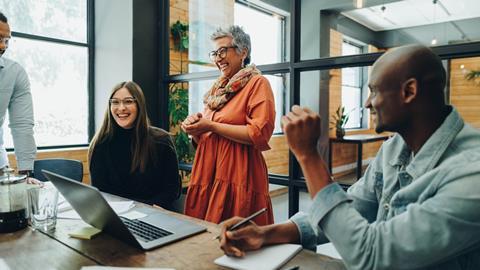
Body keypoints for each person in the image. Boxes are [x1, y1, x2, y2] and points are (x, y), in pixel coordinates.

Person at [219, 45, 480, 270]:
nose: (367, 103)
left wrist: (308, 156)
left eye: (374, 91)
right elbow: (351, 208)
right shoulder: (394, 148)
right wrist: (266, 234)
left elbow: (373, 256)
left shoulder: (471, 174)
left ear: (409, 91)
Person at [182, 26, 275, 225]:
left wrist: (211, 126)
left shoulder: (258, 84)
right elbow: (206, 137)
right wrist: (196, 130)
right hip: (208, 172)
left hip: (239, 175)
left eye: (223, 51)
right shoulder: (217, 90)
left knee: (238, 238)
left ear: (243, 52)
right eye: (215, 53)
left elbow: (258, 133)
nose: (218, 58)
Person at [88, 81, 181, 209]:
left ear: (139, 105)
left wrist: (148, 208)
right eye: (115, 102)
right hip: (116, 215)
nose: (121, 108)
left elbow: (172, 190)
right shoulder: (100, 143)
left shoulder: (162, 141)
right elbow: (100, 191)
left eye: (128, 101)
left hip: (153, 214)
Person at [0, 11, 37, 178]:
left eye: (6, 40)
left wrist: (25, 172)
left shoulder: (14, 73)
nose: (3, 46)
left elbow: (22, 125)